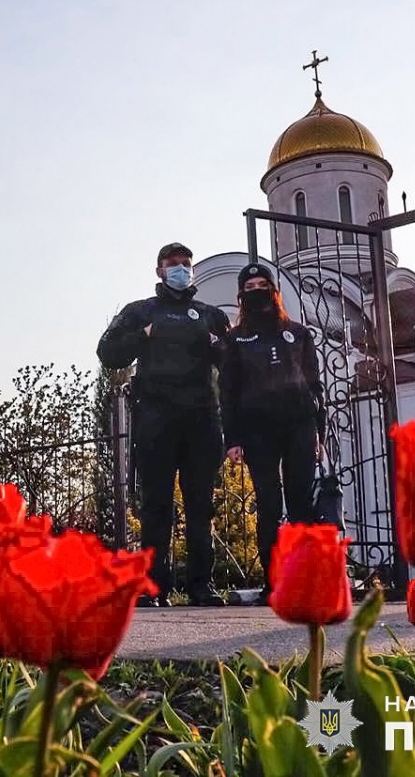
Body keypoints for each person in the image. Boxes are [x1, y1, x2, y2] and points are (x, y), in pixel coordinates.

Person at [97, 242, 231, 607]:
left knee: (201, 505)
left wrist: (218, 347)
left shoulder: (210, 315)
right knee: (156, 505)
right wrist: (144, 336)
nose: (181, 269)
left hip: (201, 420)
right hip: (156, 420)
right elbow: (107, 353)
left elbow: (232, 367)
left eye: (186, 264)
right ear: (159, 270)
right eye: (174, 264)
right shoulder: (140, 312)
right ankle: (154, 588)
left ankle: (201, 586)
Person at [220, 263, 327, 603]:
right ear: (242, 295)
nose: (256, 289)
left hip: (299, 425)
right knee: (268, 504)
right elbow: (229, 390)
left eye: (261, 284)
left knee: (300, 503)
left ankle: (305, 578)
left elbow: (314, 385)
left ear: (273, 289)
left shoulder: (298, 333)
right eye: (249, 285)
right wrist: (232, 438)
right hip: (258, 431)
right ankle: (273, 581)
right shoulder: (235, 339)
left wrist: (319, 433)